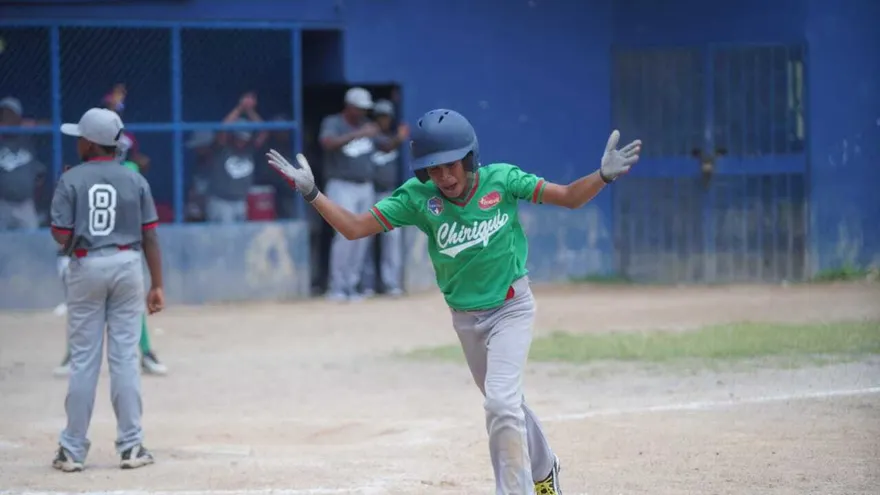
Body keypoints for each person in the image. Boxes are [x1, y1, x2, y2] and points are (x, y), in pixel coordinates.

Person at [266, 109, 641, 495]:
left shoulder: (503, 179)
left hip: (511, 307)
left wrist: (603, 176)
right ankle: (546, 470)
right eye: (433, 169)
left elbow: (567, 197)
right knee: (506, 404)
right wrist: (312, 192)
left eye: (451, 166)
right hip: (466, 319)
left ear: (469, 158)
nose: (444, 177)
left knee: (500, 404)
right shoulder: (418, 198)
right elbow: (355, 227)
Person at [49, 107, 165, 472]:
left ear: (88, 142)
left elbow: (62, 234)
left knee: (84, 360)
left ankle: (72, 450)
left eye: (79, 138)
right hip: (129, 265)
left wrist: (71, 245)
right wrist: (157, 284)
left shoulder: (71, 179)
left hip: (86, 263)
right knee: (125, 359)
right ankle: (131, 447)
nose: (77, 142)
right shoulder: (135, 179)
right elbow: (150, 236)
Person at [52, 158, 169, 377]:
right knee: (91, 312)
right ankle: (75, 355)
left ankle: (144, 353)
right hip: (108, 255)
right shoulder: (85, 174)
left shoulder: (123, 172)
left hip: (102, 255)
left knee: (91, 312)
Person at [318, 87, 381, 301]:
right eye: (360, 108)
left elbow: (385, 145)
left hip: (365, 186)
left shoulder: (367, 125)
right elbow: (327, 143)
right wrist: (358, 134)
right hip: (341, 185)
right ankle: (337, 287)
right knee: (344, 236)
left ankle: (352, 285)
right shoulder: (334, 122)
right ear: (350, 106)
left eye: (365, 109)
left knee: (363, 236)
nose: (363, 112)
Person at [360, 100, 408, 297]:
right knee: (366, 239)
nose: (383, 121)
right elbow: (386, 145)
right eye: (380, 117)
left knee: (392, 240)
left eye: (386, 117)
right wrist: (400, 137)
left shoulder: (391, 136)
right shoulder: (371, 137)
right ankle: (367, 284)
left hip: (390, 194)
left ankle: (391, 284)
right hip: (370, 191)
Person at [205, 92, 268, 223]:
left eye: (244, 138)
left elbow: (264, 130)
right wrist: (240, 108)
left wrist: (249, 110)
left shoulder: (250, 149)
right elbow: (223, 127)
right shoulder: (223, 147)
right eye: (239, 137)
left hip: (241, 201)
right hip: (221, 201)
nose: (241, 141)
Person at [0, 96, 46, 230]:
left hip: (25, 205)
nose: (6, 120)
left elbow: (51, 124)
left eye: (10, 115)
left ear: (18, 117)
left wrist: (30, 124)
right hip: (2, 204)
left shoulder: (27, 137)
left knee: (31, 242)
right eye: (3, 115)